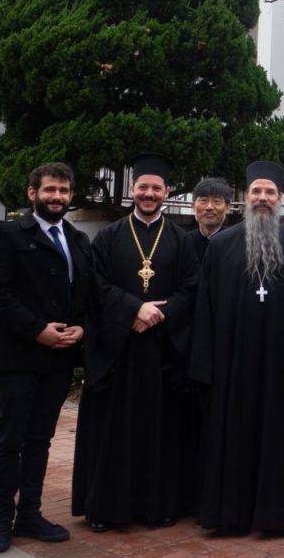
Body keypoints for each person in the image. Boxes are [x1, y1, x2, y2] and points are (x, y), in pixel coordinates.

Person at [72, 153, 200, 531]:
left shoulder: (182, 240)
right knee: (115, 431)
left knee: (162, 430)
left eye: (156, 188)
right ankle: (108, 509)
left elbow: (192, 287)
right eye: (143, 187)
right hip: (120, 351)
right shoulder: (108, 237)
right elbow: (96, 285)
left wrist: (157, 314)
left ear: (167, 192)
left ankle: (160, 506)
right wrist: (133, 310)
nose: (149, 193)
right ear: (132, 189)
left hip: (163, 350)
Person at [189, 161, 284, 536]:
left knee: (276, 439)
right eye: (256, 191)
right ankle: (229, 514)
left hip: (280, 366)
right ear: (245, 197)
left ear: (279, 199)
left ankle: (272, 516)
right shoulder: (221, 245)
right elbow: (205, 309)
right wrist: (205, 367)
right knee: (230, 437)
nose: (262, 197)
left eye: (269, 192)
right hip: (231, 366)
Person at [0, 163, 90, 553]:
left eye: (63, 190)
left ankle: (29, 513)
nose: (56, 197)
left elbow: (86, 293)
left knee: (40, 440)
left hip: (58, 361)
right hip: (16, 358)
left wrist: (82, 328)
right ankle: (1, 520)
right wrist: (36, 329)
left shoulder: (77, 240)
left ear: (71, 195)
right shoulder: (6, 233)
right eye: (49, 190)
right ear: (32, 193)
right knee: (9, 441)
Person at [184, 177, 232, 262]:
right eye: (203, 200)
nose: (209, 207)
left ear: (228, 207)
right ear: (193, 206)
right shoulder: (184, 242)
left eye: (216, 201)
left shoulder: (235, 242)